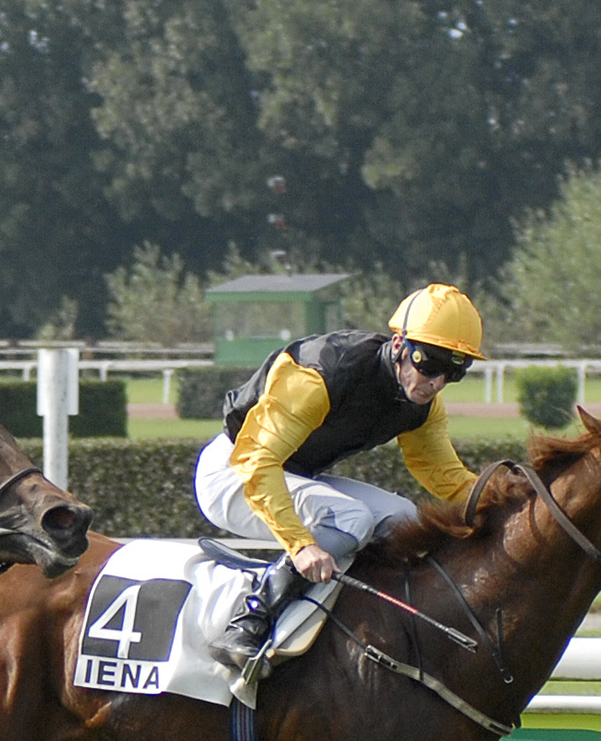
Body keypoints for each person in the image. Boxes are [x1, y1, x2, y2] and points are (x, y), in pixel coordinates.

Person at [197, 283, 485, 663]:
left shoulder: (422, 405)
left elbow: (442, 473)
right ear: (399, 344)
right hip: (234, 473)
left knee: (405, 521)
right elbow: (258, 461)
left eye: (453, 372)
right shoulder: (321, 374)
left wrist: (508, 497)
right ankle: (250, 619)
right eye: (429, 364)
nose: (437, 383)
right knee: (353, 518)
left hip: (293, 475)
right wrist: (301, 545)